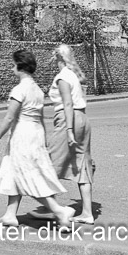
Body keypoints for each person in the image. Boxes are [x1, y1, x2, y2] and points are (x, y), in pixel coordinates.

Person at [0, 49, 74, 228]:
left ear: (20, 66)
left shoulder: (20, 89)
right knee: (15, 172)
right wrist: (43, 140)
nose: (12, 67)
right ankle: (10, 215)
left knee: (29, 176)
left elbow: (10, 117)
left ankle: (59, 211)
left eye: (13, 64)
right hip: (35, 134)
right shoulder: (37, 90)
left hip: (22, 135)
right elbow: (41, 118)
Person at [48, 44, 95, 224]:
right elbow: (83, 83)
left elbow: (67, 104)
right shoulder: (73, 75)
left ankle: (54, 210)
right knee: (82, 164)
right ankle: (87, 213)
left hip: (69, 119)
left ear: (58, 57)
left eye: (54, 55)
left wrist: (68, 130)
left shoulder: (62, 77)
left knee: (52, 162)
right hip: (83, 118)